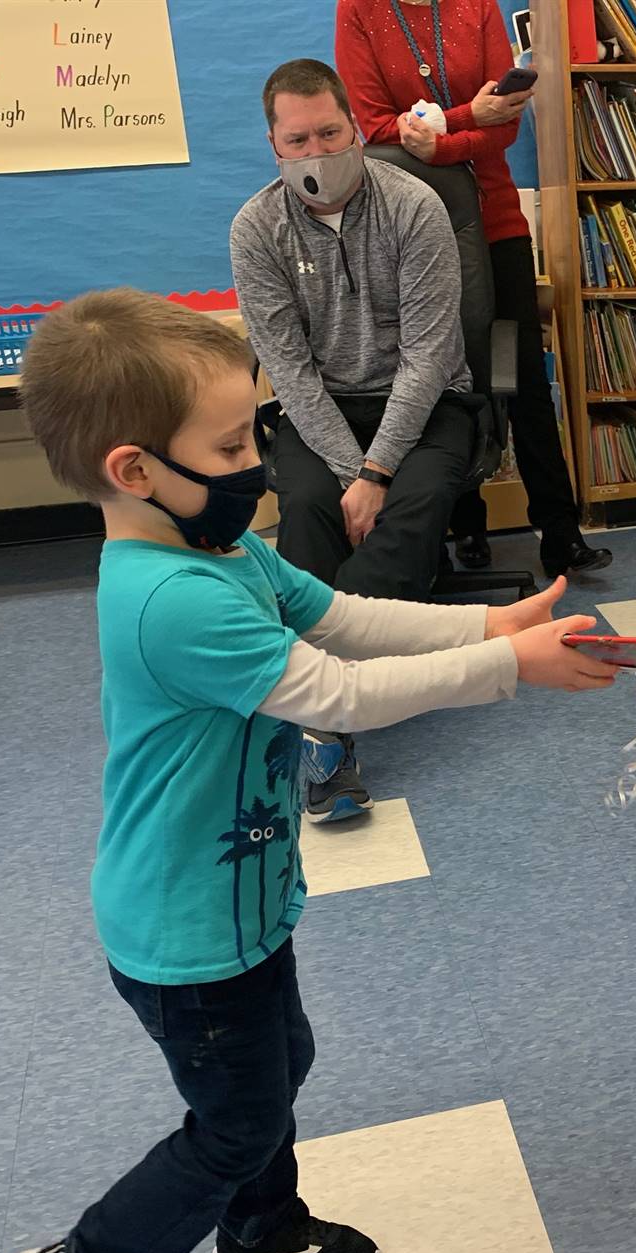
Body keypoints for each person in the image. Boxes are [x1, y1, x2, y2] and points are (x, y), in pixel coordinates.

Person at [7, 288, 617, 1253]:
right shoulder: (170, 598)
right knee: (237, 1115)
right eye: (234, 442)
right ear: (134, 471)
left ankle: (259, 1228)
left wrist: (488, 619)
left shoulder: (224, 553)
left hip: (236, 902)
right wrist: (507, 668)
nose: (256, 461)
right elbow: (333, 694)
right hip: (184, 928)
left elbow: (341, 616)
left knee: (278, 1063)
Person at [233, 57, 489, 823]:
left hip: (425, 403)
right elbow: (287, 367)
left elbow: (431, 353)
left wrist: (376, 473)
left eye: (331, 132)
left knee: (410, 503)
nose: (317, 152)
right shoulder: (256, 228)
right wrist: (351, 473)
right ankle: (333, 720)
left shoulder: (414, 206)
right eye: (297, 138)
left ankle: (318, 708)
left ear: (355, 127)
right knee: (307, 501)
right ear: (275, 144)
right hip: (325, 410)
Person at [335, 0, 612, 581]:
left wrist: (441, 143)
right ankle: (465, 526)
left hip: (495, 222)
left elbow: (505, 121)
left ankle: (560, 533)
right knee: (434, 376)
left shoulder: (477, 5)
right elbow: (377, 128)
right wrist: (468, 116)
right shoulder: (358, 10)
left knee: (525, 380)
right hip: (412, 228)